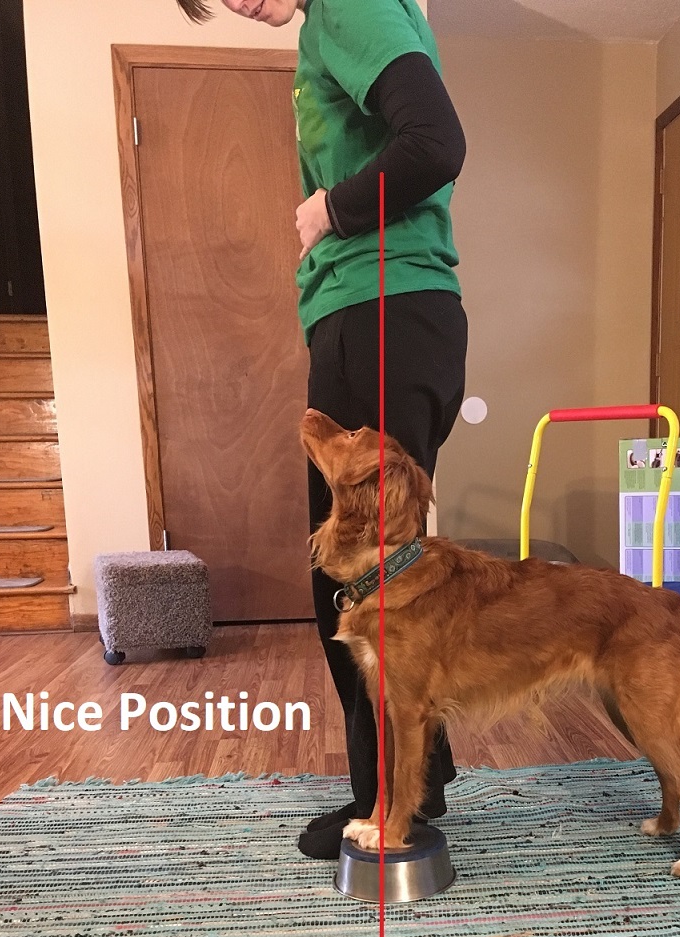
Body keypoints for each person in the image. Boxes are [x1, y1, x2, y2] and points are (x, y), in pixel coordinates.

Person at [178, 0, 470, 859]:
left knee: (356, 582)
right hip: (389, 314)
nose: (237, 2)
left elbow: (436, 141)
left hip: (379, 310)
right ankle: (415, 782)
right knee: (384, 577)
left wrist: (329, 212)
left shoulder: (345, 5)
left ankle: (386, 805)